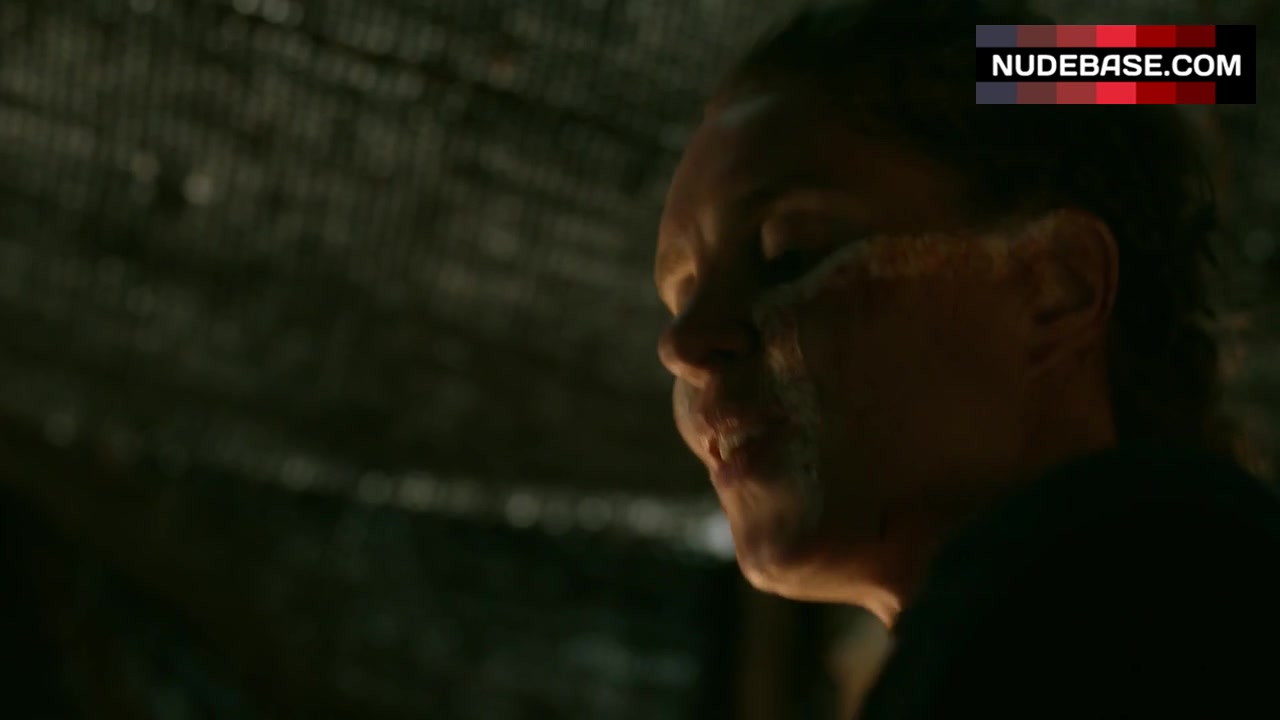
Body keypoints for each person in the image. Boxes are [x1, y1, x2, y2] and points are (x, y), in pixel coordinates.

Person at [652, 1, 1280, 717]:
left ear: (1056, 287)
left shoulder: (1177, 617)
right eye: (680, 298)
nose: (681, 346)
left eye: (787, 253)